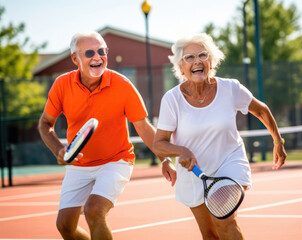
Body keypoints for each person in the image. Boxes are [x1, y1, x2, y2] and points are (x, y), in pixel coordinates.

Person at [152, 33, 287, 240]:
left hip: (229, 161)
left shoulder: (230, 88)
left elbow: (262, 110)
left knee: (225, 219)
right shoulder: (172, 99)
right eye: (189, 58)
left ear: (211, 61)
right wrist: (181, 152)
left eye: (202, 55)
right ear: (180, 67)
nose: (197, 61)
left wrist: (278, 141)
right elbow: (159, 143)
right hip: (193, 173)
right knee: (210, 235)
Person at [38, 31, 169, 240]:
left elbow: (143, 128)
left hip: (116, 160)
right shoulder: (62, 85)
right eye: (90, 52)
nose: (98, 57)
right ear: (75, 59)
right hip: (79, 165)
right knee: (64, 226)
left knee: (94, 210)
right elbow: (45, 124)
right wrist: (58, 150)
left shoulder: (123, 85)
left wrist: (166, 158)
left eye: (102, 51)